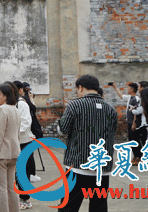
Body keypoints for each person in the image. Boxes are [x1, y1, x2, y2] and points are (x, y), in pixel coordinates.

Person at [57, 75, 118, 212]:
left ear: (80, 87)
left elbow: (63, 130)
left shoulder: (74, 105)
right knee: (99, 207)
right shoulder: (111, 109)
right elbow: (112, 134)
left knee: (68, 206)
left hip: (77, 166)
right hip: (102, 169)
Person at [0, 83, 21, 212]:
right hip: (14, 153)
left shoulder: (2, 109)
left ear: (6, 96)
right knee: (11, 188)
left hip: (1, 154)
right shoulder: (15, 109)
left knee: (0, 189)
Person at [109, 82, 147, 164]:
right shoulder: (130, 97)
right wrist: (115, 87)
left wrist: (134, 123)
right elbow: (121, 96)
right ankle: (136, 156)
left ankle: (138, 157)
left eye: (128, 88)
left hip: (134, 123)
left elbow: (136, 113)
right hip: (129, 122)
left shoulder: (136, 99)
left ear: (132, 89)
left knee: (135, 140)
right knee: (131, 140)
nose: (127, 89)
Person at [12, 81, 36, 210]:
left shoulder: (21, 104)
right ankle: (20, 195)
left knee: (23, 171)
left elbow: (26, 123)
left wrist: (13, 134)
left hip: (23, 141)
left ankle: (26, 199)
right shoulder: (12, 104)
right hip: (15, 141)